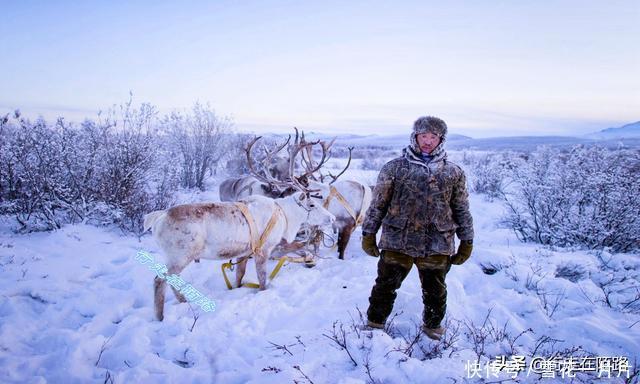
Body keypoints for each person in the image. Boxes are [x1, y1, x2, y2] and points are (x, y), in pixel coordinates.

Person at [361, 116, 474, 340]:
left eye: (434, 137)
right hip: (397, 240)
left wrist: (467, 240)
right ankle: (374, 326)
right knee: (385, 286)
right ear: (415, 137)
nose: (428, 141)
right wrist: (368, 233)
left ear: (441, 140)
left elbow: (461, 208)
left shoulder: (453, 172)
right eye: (424, 136)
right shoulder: (394, 168)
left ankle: (433, 330)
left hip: (437, 242)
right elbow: (378, 203)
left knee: (435, 291)